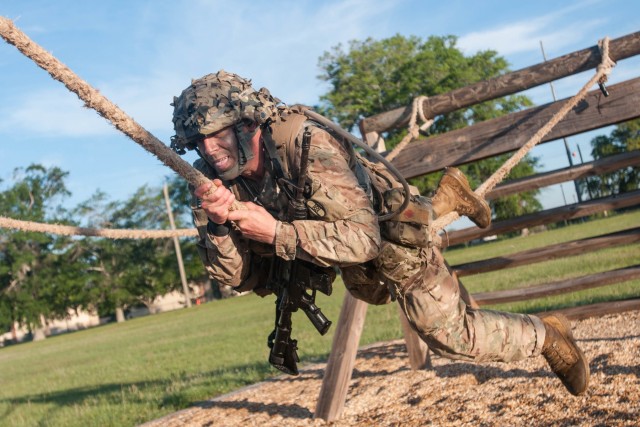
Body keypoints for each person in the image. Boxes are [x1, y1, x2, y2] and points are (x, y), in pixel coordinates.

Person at [170, 70, 589, 396]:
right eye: (197, 142)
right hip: (343, 255)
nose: (209, 150)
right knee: (371, 291)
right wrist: (221, 226)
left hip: (383, 235)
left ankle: (549, 335)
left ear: (246, 124)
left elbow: (364, 239)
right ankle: (447, 197)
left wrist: (277, 232)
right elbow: (237, 278)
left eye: (217, 133)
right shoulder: (210, 183)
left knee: (451, 336)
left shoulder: (305, 144)